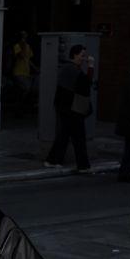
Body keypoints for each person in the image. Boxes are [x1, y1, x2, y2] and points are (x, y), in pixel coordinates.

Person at [44, 44, 94, 172]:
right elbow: (86, 84)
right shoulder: (71, 69)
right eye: (82, 55)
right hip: (71, 108)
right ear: (75, 55)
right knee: (78, 137)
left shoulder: (70, 68)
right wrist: (91, 67)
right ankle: (83, 165)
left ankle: (52, 160)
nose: (83, 58)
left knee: (64, 135)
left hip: (66, 107)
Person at [10, 30, 35, 111]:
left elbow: (28, 59)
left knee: (25, 90)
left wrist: (35, 68)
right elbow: (19, 56)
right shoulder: (17, 46)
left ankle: (19, 106)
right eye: (23, 35)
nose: (25, 37)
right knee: (26, 88)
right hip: (18, 72)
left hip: (26, 72)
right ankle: (19, 106)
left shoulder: (28, 46)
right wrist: (22, 45)